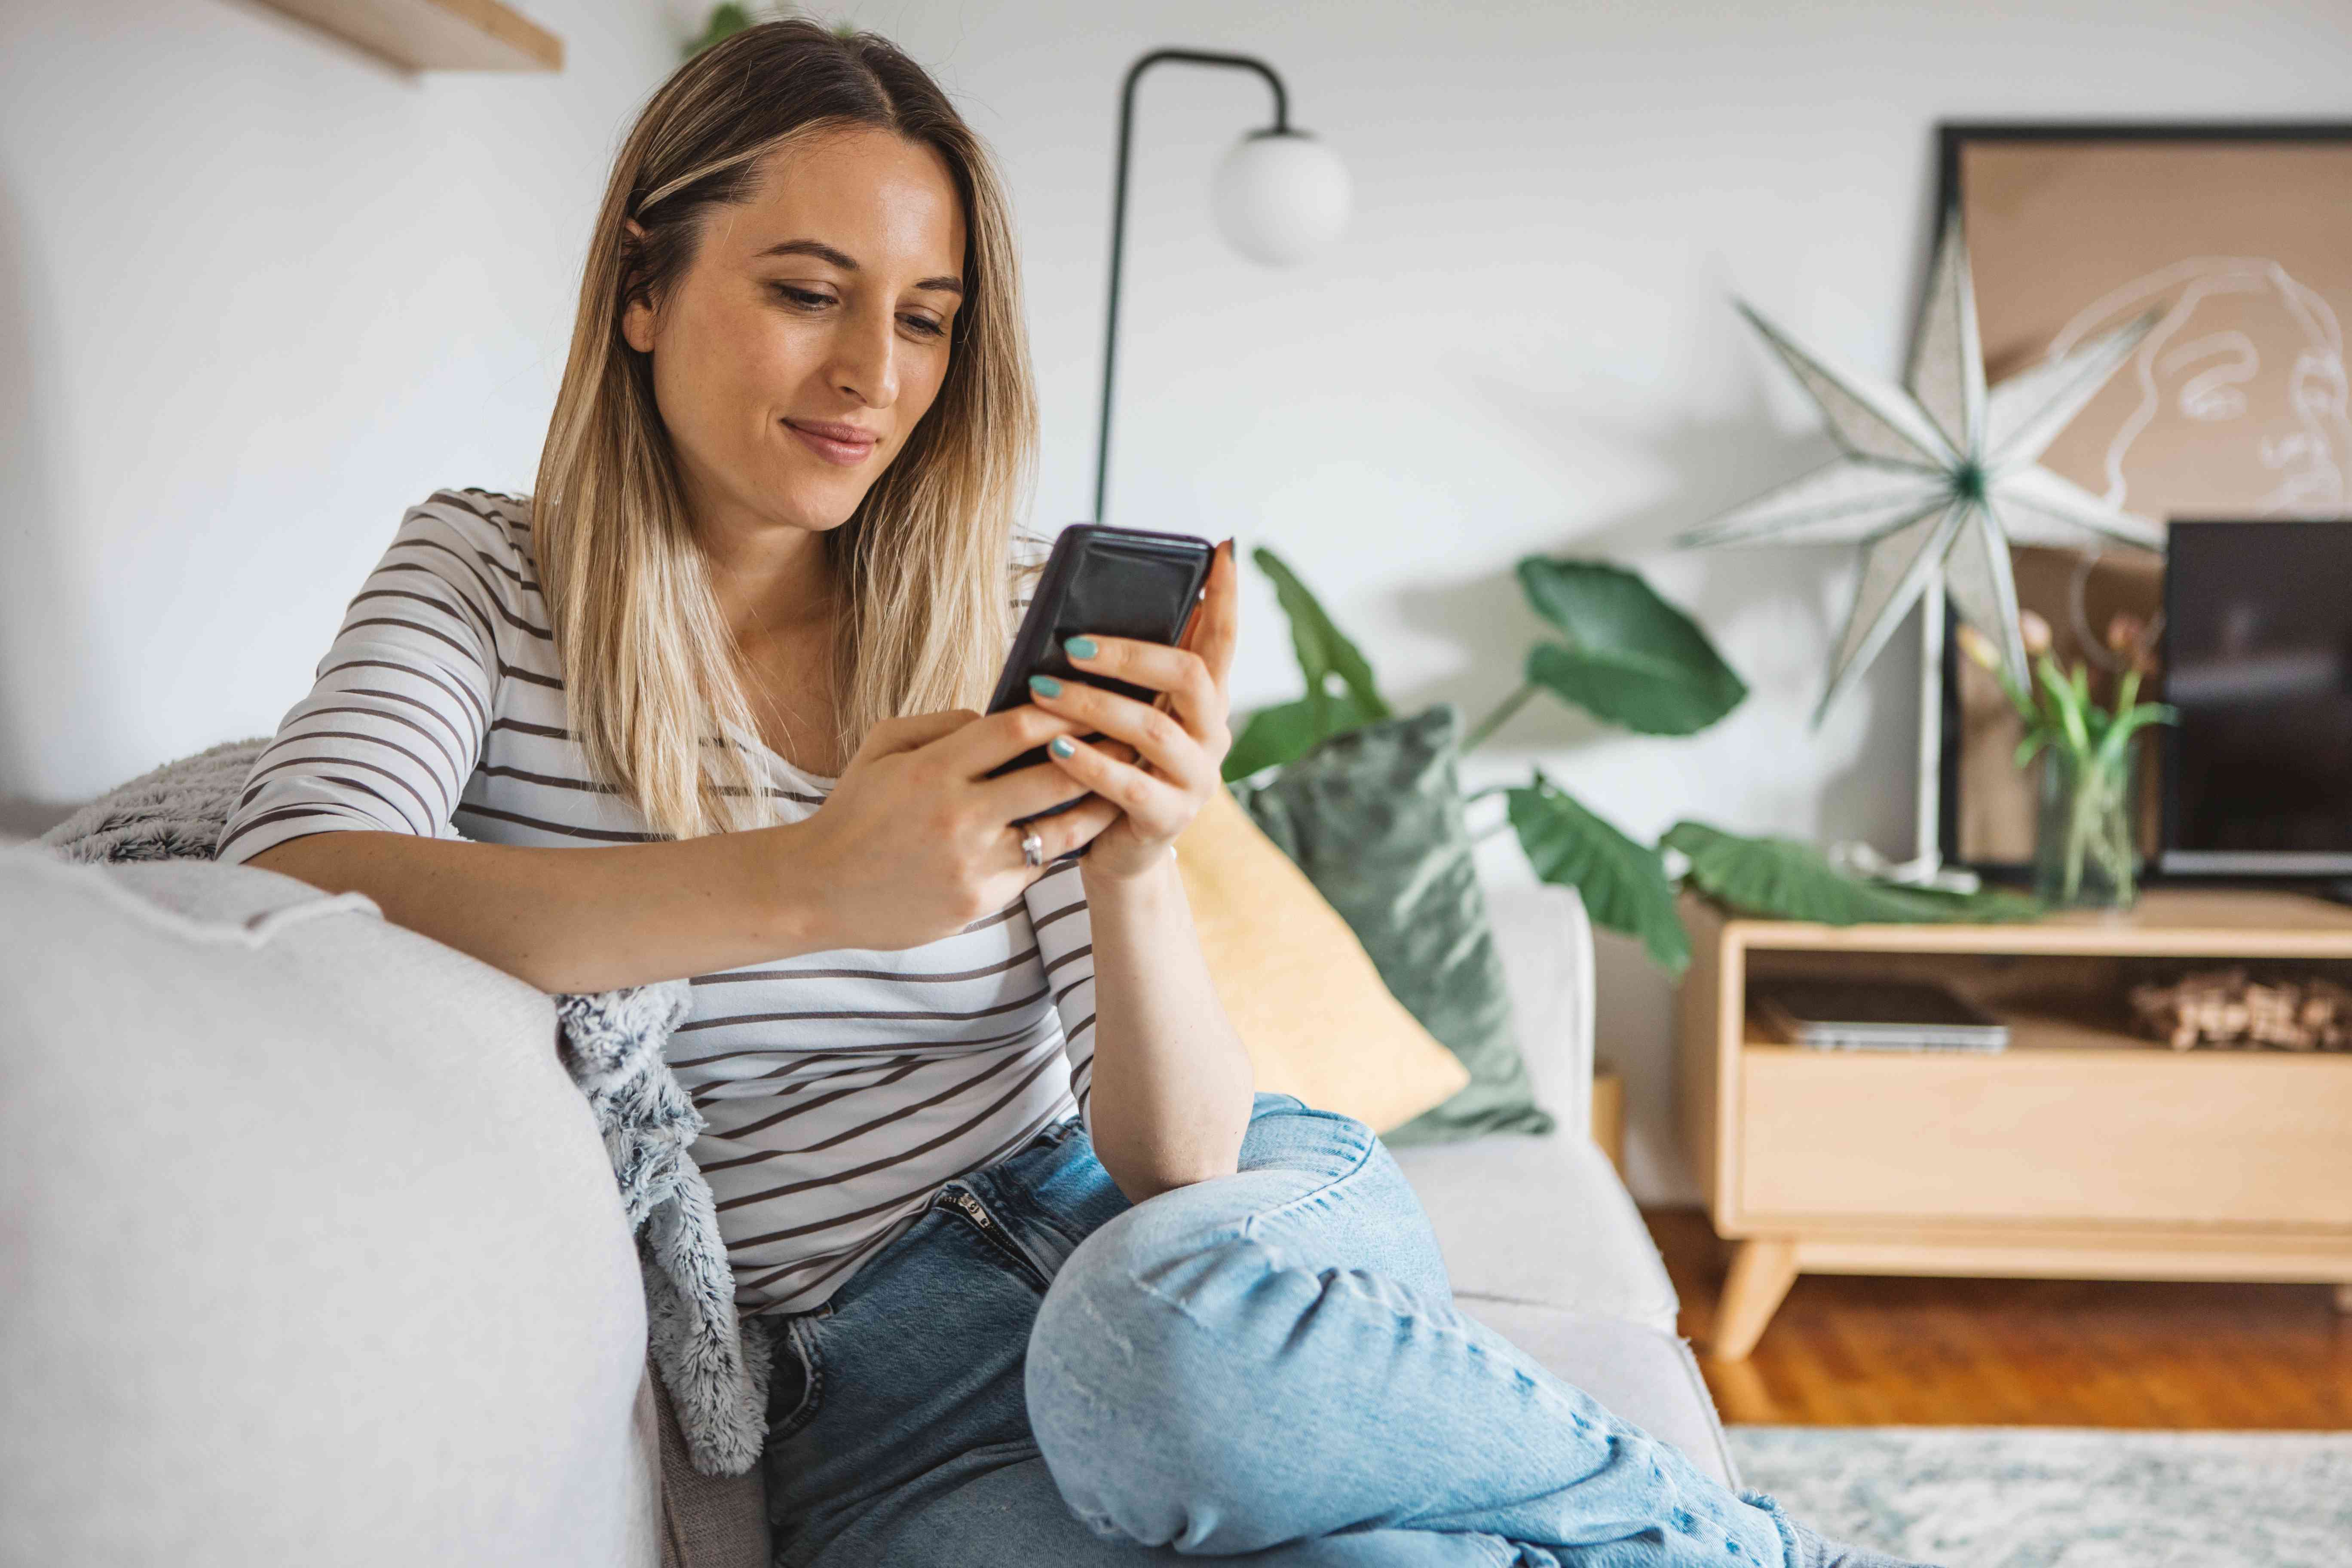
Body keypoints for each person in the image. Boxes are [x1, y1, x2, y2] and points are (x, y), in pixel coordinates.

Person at [221, 21, 1923, 1568]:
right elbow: (291, 879)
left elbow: (1175, 1157)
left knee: (1159, 1352)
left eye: (925, 320)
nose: (873, 377)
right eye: (808, 292)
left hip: (1192, 1262)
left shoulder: (999, 608)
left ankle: (1756, 1552)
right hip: (885, 1414)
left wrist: (1140, 862)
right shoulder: (483, 579)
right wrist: (816, 883)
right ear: (642, 289)